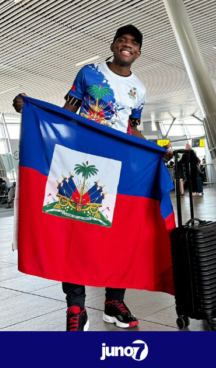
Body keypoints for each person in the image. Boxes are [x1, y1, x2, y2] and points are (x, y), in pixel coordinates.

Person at [13, 25, 170, 331]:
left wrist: (152, 148)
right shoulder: (89, 72)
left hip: (119, 167)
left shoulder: (139, 88)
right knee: (72, 231)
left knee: (118, 235)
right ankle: (76, 308)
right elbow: (68, 112)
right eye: (122, 41)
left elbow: (132, 128)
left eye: (133, 43)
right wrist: (34, 111)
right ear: (113, 45)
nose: (127, 46)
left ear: (139, 52)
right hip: (81, 161)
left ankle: (114, 302)